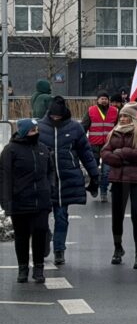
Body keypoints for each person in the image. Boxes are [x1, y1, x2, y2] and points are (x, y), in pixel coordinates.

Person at [36, 97, 99, 266]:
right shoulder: (40, 128)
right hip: (44, 181)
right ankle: (44, 239)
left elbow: (85, 152)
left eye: (58, 116)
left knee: (61, 216)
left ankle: (59, 249)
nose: (55, 118)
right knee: (41, 218)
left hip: (66, 179)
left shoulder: (75, 128)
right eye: (53, 115)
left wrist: (95, 174)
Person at [1, 119, 54, 283]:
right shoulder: (10, 150)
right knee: (22, 236)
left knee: (40, 233)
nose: (36, 132)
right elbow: (4, 177)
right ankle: (22, 268)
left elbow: (50, 172)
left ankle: (39, 268)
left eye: (37, 129)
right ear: (23, 131)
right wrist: (6, 201)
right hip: (20, 201)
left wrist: (49, 188)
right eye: (32, 130)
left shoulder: (43, 149)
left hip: (41, 201)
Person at [101, 103, 137, 270]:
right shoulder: (113, 134)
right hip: (119, 180)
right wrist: (122, 157)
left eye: (126, 116)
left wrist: (120, 153)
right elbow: (105, 154)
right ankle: (118, 248)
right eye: (121, 116)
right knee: (117, 218)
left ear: (133, 118)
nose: (122, 119)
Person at [81, 89, 117, 203]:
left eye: (106, 99)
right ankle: (94, 186)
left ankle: (103, 192)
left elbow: (118, 127)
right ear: (97, 100)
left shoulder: (115, 111)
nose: (104, 100)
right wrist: (83, 140)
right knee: (94, 170)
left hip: (108, 146)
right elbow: (83, 127)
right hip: (94, 145)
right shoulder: (91, 111)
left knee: (106, 171)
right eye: (102, 98)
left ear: (108, 100)